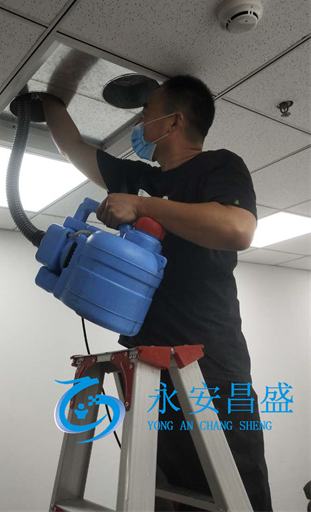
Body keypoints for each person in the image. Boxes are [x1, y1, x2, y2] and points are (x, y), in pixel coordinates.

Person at [41, 75, 273, 511]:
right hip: (147, 362)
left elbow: (238, 229)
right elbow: (72, 147)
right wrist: (48, 97)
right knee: (165, 484)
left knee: (235, 487)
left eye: (146, 113)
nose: (140, 122)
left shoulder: (219, 166)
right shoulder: (137, 177)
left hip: (208, 359)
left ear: (174, 122)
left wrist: (144, 205)